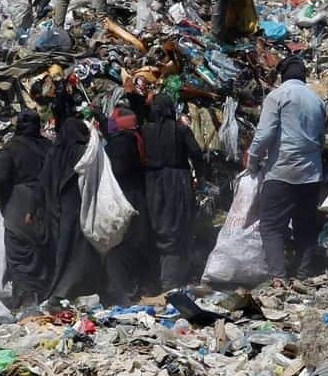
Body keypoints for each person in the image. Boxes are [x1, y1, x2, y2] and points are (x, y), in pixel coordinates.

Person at [247, 55, 326, 280]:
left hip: (282, 170)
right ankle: (303, 274)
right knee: (305, 226)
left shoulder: (277, 96)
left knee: (271, 226)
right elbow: (321, 139)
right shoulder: (317, 100)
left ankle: (278, 278)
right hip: (312, 173)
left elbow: (264, 134)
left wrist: (252, 160)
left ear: (283, 76)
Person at [141, 94, 206, 290]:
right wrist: (199, 176)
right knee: (176, 227)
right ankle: (170, 280)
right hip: (177, 182)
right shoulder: (181, 130)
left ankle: (156, 279)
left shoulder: (145, 130)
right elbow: (196, 153)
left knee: (157, 226)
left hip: (152, 182)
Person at [36, 116, 102, 300]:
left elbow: (43, 180)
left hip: (57, 208)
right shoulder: (85, 151)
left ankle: (63, 289)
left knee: (64, 250)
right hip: (79, 206)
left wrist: (37, 207)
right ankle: (70, 289)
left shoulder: (55, 151)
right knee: (79, 249)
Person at [0, 110, 53, 306]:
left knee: (19, 249)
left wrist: (3, 202)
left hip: (19, 203)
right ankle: (44, 294)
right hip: (46, 203)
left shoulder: (12, 148)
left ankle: (26, 296)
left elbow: (1, 179)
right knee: (43, 249)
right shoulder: (48, 146)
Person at [103, 104, 151, 303]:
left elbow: (118, 170)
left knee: (121, 242)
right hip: (137, 195)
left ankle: (124, 288)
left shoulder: (119, 144)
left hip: (123, 198)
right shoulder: (136, 138)